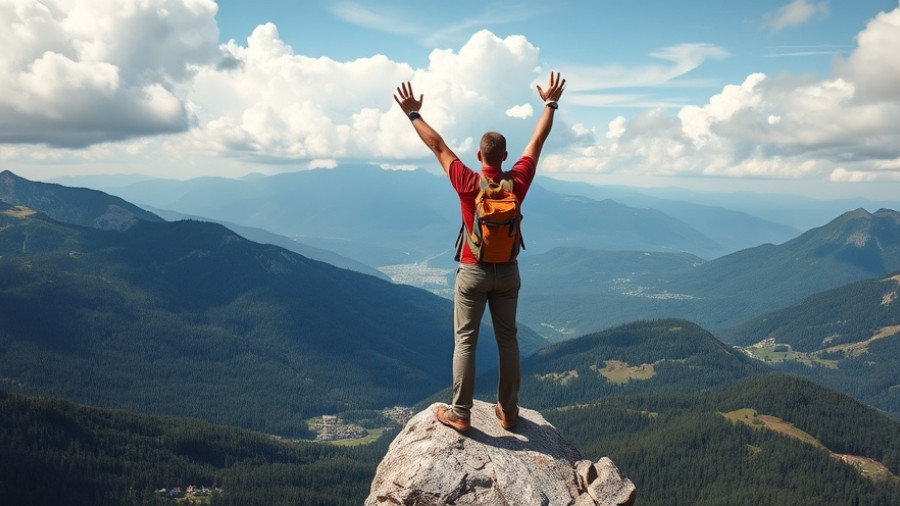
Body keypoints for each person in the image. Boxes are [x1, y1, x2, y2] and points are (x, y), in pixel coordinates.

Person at [393, 72, 566, 432]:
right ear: (504, 156)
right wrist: (550, 103)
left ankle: (461, 413)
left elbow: (437, 146)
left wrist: (413, 114)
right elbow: (538, 140)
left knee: (465, 342)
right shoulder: (518, 180)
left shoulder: (468, 181)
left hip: (472, 272)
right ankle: (509, 410)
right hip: (508, 272)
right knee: (509, 339)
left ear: (479, 155)